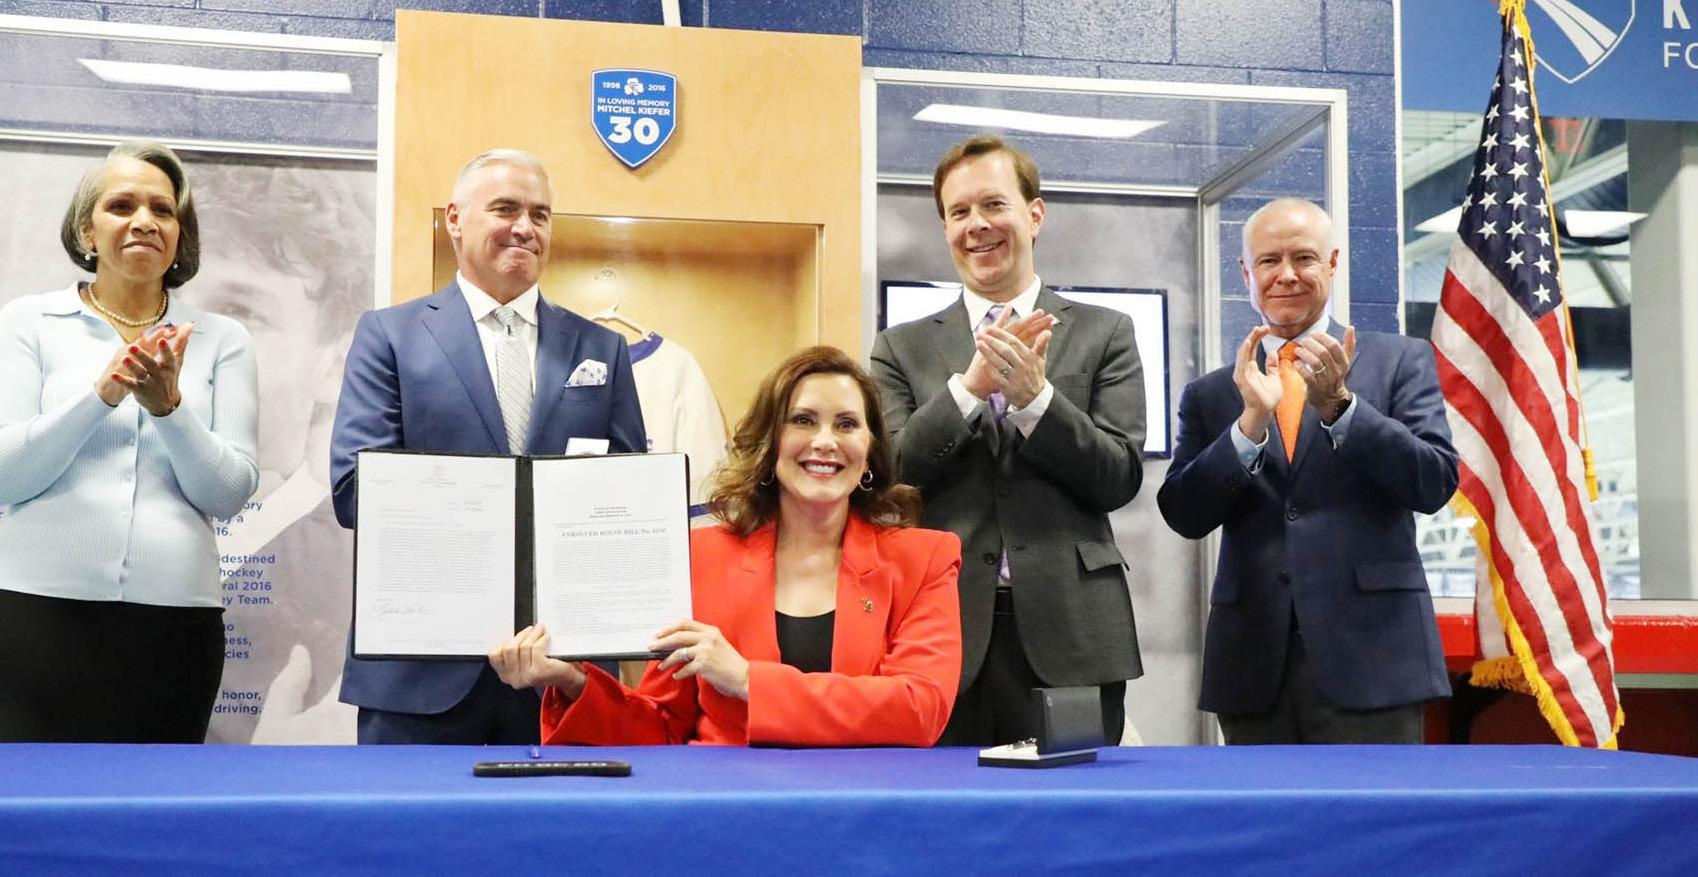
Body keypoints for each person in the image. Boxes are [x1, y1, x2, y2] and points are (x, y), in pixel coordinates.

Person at [488, 346, 962, 746]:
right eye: (803, 420)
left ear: (870, 450)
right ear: (770, 444)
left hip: (862, 810)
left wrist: (748, 681)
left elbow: (919, 709)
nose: (825, 441)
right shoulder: (701, 557)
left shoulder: (925, 559)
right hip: (726, 811)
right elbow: (660, 728)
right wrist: (571, 680)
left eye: (846, 424)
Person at [330, 148, 647, 745]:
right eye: (505, 209)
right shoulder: (389, 336)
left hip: (559, 675)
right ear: (455, 219)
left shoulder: (601, 350)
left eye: (540, 215)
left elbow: (630, 503)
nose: (525, 227)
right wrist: (486, 507)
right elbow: (354, 492)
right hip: (419, 678)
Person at [869, 133, 1144, 747]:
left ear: (1034, 214)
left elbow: (1119, 476)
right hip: (940, 631)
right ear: (945, 228)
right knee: (942, 802)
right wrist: (969, 390)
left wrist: (1036, 402)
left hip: (1073, 630)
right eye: (959, 212)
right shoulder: (900, 347)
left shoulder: (1105, 333)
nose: (978, 226)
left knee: (1072, 802)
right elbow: (891, 472)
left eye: (994, 205)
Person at [1156, 197, 1458, 744]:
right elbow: (1184, 513)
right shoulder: (1212, 393)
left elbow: (1434, 482)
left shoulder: (1399, 361)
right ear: (1246, 273)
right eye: (1269, 261)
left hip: (1375, 661)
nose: (1286, 275)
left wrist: (1342, 408)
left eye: (1303, 258)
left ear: (1333, 263)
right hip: (1253, 668)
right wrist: (1248, 424)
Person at [0, 140, 260, 742]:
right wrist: (102, 395)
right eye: (122, 206)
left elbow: (228, 494)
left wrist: (169, 408)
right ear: (86, 231)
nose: (145, 220)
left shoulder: (222, 339)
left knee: (161, 794)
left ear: (179, 236)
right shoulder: (28, 321)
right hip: (33, 615)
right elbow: (7, 477)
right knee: (30, 793)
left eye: (162, 210)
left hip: (176, 626)